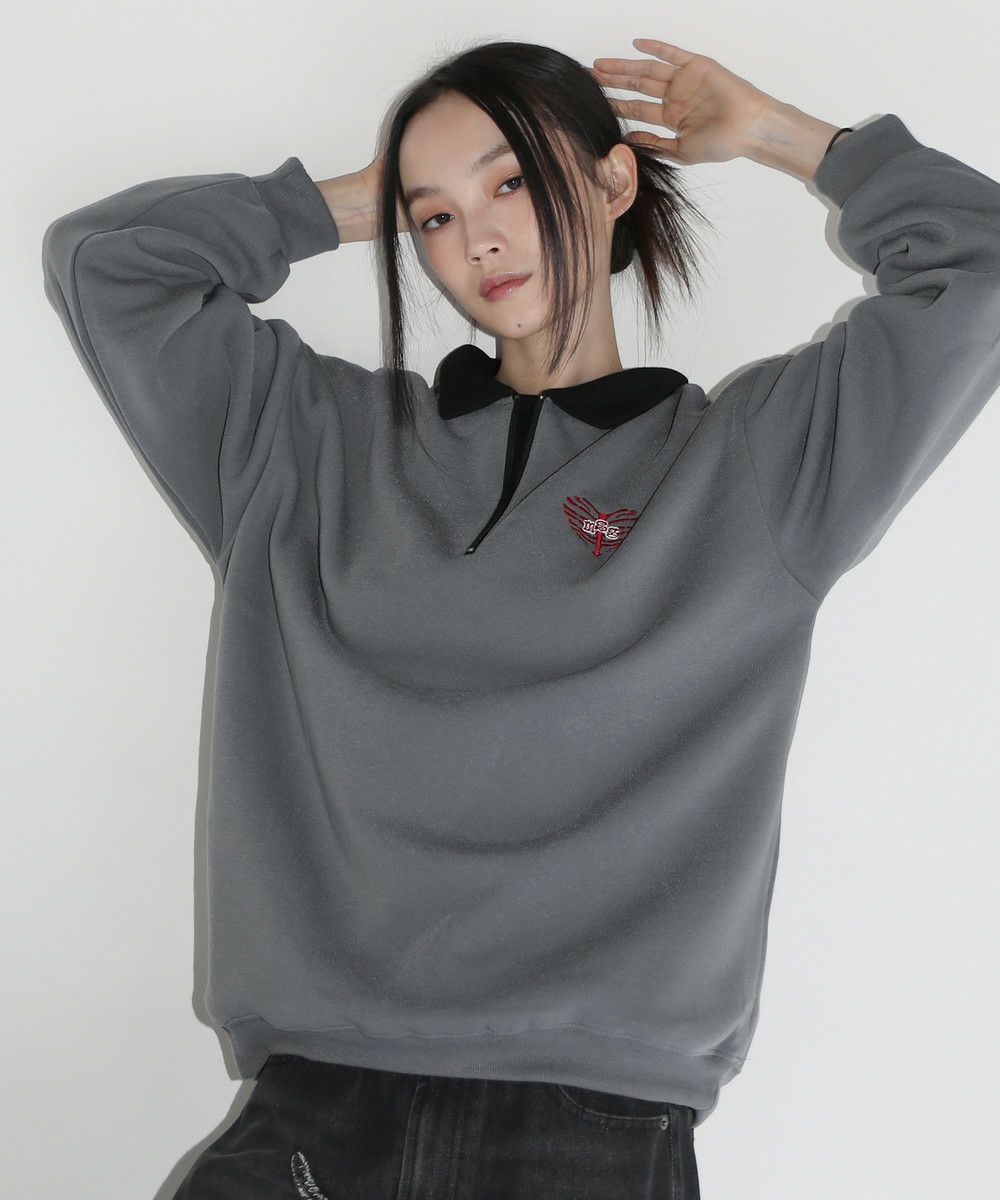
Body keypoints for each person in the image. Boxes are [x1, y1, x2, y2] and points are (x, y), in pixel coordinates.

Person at [41, 35, 999, 1200]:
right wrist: (353, 203)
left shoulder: (753, 474)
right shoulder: (302, 446)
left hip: (590, 1135)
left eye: (511, 181)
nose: (480, 237)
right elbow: (108, 262)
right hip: (310, 1120)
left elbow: (979, 267)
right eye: (438, 216)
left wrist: (778, 134)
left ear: (611, 179)